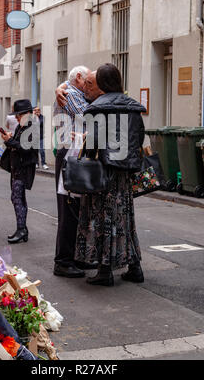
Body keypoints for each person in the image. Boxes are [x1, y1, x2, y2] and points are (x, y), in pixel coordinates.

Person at [74, 64, 146, 287]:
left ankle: (104, 270)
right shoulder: (133, 107)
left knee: (101, 219)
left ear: (103, 84)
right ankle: (135, 267)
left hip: (103, 173)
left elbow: (93, 144)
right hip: (124, 174)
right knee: (125, 220)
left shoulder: (97, 108)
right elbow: (139, 138)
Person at [53, 65, 95, 279]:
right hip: (70, 155)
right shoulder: (71, 94)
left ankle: (75, 258)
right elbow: (87, 117)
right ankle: (63, 261)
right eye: (88, 81)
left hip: (73, 154)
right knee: (69, 209)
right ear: (78, 77)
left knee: (76, 210)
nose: (89, 86)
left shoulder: (68, 91)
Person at [0, 99, 39, 244]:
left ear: (27, 113)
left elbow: (26, 147)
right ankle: (22, 229)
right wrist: (10, 138)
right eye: (16, 115)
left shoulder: (32, 126)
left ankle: (21, 229)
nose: (16, 117)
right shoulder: (21, 126)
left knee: (17, 198)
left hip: (24, 167)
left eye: (19, 114)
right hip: (16, 166)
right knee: (17, 197)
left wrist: (9, 141)